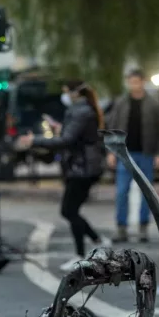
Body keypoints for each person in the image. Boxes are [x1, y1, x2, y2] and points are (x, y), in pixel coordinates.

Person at [16, 81, 105, 269]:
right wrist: (59, 128)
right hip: (80, 166)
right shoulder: (80, 110)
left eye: (66, 92)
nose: (64, 96)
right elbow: (73, 135)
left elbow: (67, 140)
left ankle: (85, 251)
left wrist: (35, 140)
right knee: (71, 210)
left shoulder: (81, 112)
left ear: (75, 93)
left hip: (82, 168)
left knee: (69, 211)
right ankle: (96, 242)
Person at [106, 68, 159, 243]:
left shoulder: (153, 104)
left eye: (137, 82)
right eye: (131, 82)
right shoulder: (121, 103)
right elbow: (112, 127)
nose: (134, 85)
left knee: (146, 193)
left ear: (143, 82)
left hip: (146, 153)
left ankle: (143, 227)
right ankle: (121, 227)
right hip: (125, 153)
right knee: (121, 192)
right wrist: (111, 152)